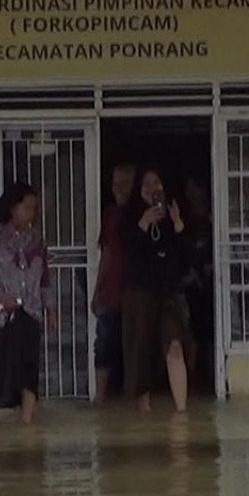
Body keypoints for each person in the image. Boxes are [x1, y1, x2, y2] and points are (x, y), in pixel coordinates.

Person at [0, 183, 56, 424]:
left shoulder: (36, 240)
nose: (31, 213)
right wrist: (1, 296)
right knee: (1, 363)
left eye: (34, 209)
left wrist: (50, 308)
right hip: (3, 314)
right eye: (27, 207)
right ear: (12, 207)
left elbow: (45, 277)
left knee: (29, 365)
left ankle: (28, 421)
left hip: (31, 310)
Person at [120, 167, 190, 413]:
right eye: (147, 184)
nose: (152, 189)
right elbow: (127, 255)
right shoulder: (130, 218)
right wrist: (143, 224)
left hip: (168, 293)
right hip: (141, 294)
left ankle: (181, 411)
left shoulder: (173, 215)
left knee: (175, 344)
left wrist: (178, 224)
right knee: (141, 349)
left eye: (156, 183)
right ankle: (144, 408)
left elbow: (185, 257)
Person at [91, 163, 136, 404]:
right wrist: (97, 290)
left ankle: (134, 395)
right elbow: (106, 255)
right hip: (111, 291)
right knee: (105, 342)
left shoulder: (142, 213)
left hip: (136, 291)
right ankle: (100, 396)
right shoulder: (110, 214)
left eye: (125, 183)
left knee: (133, 345)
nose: (119, 189)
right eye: (115, 184)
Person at [182, 176, 214, 392]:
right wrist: (190, 273)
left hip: (211, 281)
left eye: (197, 189)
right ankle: (191, 377)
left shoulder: (212, 218)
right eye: (191, 189)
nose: (195, 194)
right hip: (191, 281)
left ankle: (213, 373)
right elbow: (182, 249)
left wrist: (211, 266)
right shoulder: (185, 220)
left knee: (211, 329)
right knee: (191, 331)